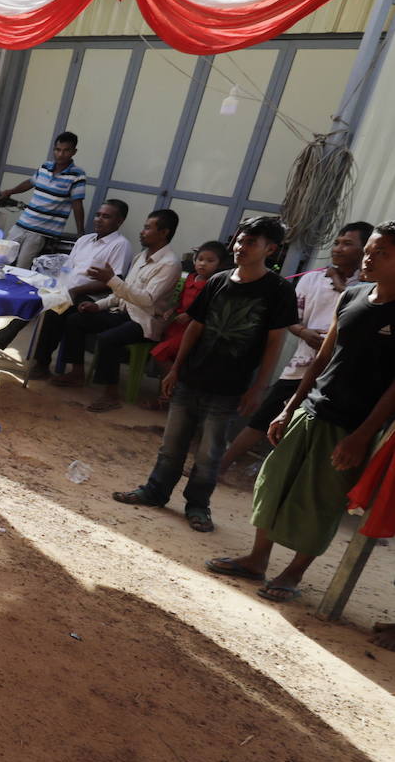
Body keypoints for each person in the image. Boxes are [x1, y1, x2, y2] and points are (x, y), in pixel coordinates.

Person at [206, 221, 395, 602]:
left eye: (383, 254)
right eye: (370, 250)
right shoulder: (353, 295)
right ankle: (257, 560)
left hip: (352, 426)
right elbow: (323, 357)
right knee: (274, 483)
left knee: (319, 501)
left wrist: (361, 437)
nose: (370, 257)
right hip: (311, 410)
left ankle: (293, 573)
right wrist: (289, 408)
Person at [112, 216, 298, 534]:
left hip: (229, 387)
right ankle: (155, 491)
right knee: (171, 445)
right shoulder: (219, 280)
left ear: (271, 249)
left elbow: (274, 342)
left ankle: (198, 505)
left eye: (251, 242)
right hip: (191, 378)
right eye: (240, 240)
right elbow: (195, 326)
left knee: (210, 453)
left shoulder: (278, 290)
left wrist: (258, 388)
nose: (241, 246)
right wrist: (176, 369)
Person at [217, 221, 373, 477]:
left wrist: (340, 283)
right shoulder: (312, 279)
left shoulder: (369, 286)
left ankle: (275, 474)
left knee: (308, 427)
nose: (339, 248)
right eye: (337, 242)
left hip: (337, 374)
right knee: (265, 417)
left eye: (348, 244)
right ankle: (221, 465)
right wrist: (304, 332)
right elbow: (291, 319)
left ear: (364, 249)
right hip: (302, 365)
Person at [53, 209, 183, 412]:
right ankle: (77, 372)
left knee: (108, 338)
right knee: (76, 319)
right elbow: (122, 292)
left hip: (144, 321)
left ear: (164, 233)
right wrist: (99, 305)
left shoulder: (170, 264)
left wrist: (111, 280)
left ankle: (110, 394)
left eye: (148, 228)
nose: (142, 232)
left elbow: (147, 300)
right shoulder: (141, 257)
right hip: (123, 312)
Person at [0, 200, 133, 363]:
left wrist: (74, 291)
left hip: (89, 296)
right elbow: (68, 269)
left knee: (52, 308)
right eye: (98, 215)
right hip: (66, 289)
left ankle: (39, 362)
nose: (99, 219)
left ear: (119, 221)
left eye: (106, 217)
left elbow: (112, 281)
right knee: (33, 297)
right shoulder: (85, 240)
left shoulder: (120, 245)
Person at [141, 240, 229, 409]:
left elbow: (211, 309)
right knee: (169, 358)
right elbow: (179, 299)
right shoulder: (189, 277)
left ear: (220, 264)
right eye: (200, 259)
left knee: (160, 354)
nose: (203, 264)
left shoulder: (216, 284)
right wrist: (172, 309)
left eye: (210, 261)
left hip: (193, 329)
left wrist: (190, 315)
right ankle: (165, 396)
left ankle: (172, 392)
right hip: (176, 326)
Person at [0, 131, 87, 268]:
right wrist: (10, 192)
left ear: (74, 152)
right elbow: (30, 182)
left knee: (22, 268)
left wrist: (80, 233)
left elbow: (77, 204)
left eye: (66, 150)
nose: (61, 154)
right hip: (21, 225)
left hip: (40, 232)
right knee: (1, 261)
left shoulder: (77, 175)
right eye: (57, 150)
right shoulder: (45, 167)